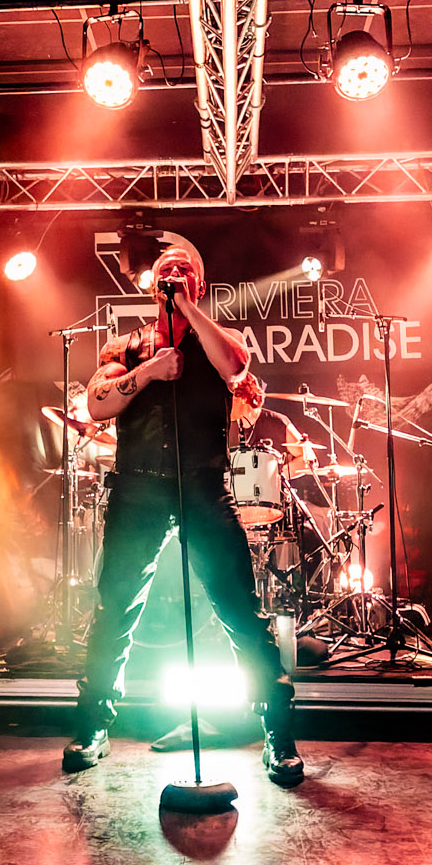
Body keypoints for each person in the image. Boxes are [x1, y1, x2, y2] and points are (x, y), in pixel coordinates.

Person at [63, 234, 304, 787]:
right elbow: (96, 404)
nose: (172, 275)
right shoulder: (125, 347)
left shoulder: (219, 338)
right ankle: (93, 728)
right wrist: (149, 371)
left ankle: (278, 736)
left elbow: (235, 366)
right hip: (138, 490)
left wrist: (189, 310)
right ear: (152, 286)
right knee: (115, 611)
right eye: (165, 270)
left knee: (240, 612)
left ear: (199, 282)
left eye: (184, 269)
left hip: (203, 487)